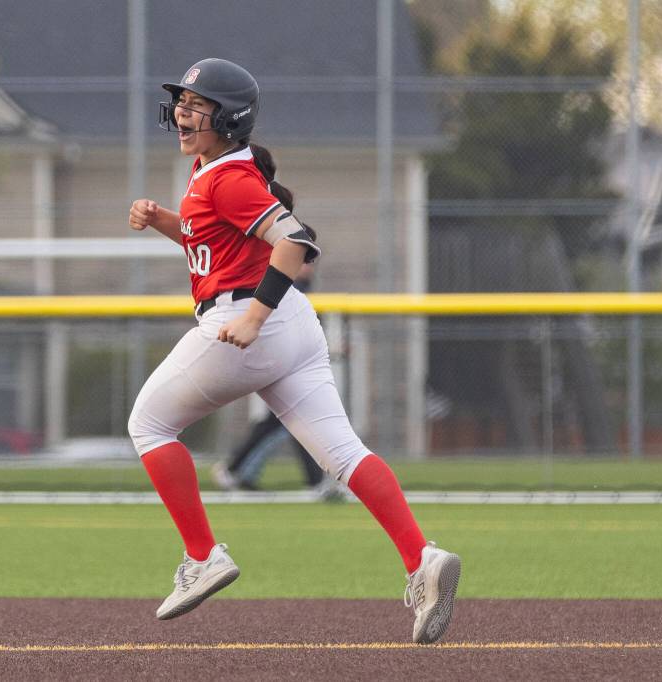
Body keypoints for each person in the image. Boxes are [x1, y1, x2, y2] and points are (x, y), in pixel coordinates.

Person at [126, 58, 460, 644]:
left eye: (195, 105)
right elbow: (215, 238)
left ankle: (202, 556)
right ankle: (421, 558)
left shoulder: (227, 175)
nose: (181, 113)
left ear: (228, 117)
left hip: (248, 320)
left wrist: (254, 316)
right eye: (180, 102)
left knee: (149, 424)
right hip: (295, 327)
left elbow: (295, 241)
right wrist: (164, 222)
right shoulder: (217, 169)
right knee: (344, 454)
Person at [211, 263, 347, 500]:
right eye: (303, 260)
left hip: (295, 363)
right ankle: (235, 470)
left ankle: (238, 471)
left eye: (310, 261)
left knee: (292, 422)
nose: (308, 267)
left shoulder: (302, 290)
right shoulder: (279, 284)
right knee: (289, 421)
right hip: (279, 362)